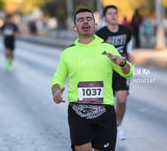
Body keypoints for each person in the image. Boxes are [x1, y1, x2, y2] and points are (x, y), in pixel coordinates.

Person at [51, 8, 134, 151]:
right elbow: (57, 79)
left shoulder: (107, 48)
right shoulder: (68, 53)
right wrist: (56, 92)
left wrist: (122, 63)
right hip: (78, 112)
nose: (85, 22)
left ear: (95, 25)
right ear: (74, 27)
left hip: (105, 112)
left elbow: (129, 73)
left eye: (89, 19)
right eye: (80, 20)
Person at [95, 5, 133, 141]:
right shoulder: (100, 34)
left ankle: (118, 125)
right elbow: (96, 54)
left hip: (122, 69)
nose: (113, 15)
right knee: (107, 103)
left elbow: (130, 51)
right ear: (105, 17)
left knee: (122, 100)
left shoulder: (126, 31)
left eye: (115, 13)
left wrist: (131, 69)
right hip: (107, 71)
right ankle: (106, 128)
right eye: (110, 13)